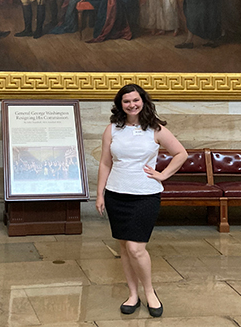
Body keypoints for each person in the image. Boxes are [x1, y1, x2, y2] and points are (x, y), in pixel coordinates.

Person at [96, 83, 187, 318]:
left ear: (143, 101)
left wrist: (163, 175)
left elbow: (181, 153)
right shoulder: (112, 130)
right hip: (116, 194)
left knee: (137, 248)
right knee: (125, 248)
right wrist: (99, 194)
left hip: (145, 195)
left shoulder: (155, 129)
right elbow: (105, 163)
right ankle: (132, 294)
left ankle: (150, 292)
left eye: (135, 100)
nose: (131, 104)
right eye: (126, 101)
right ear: (120, 105)